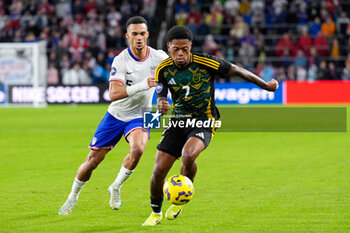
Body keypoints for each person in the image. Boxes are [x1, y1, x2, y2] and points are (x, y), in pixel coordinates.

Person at [142, 25, 278, 226]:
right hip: (178, 121)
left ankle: (180, 199)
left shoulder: (205, 62)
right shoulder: (163, 69)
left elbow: (237, 70)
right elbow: (162, 92)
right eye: (175, 50)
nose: (180, 54)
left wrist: (265, 85)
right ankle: (155, 213)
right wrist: (162, 102)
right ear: (169, 47)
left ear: (190, 47)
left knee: (188, 155)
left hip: (204, 120)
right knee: (159, 170)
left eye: (185, 49)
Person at [59, 16, 168, 215]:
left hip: (143, 114)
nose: (139, 38)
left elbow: (172, 77)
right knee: (92, 162)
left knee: (138, 149)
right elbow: (113, 94)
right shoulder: (121, 60)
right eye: (134, 34)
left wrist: (164, 98)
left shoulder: (159, 57)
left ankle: (116, 186)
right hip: (116, 115)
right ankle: (72, 197)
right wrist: (144, 85)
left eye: (142, 34)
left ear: (148, 35)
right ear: (127, 36)